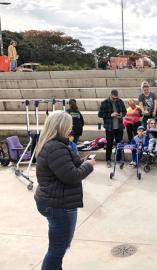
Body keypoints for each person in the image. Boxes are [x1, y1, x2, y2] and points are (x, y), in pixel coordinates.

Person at [34, 111, 95, 270]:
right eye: (69, 125)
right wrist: (88, 166)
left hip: (54, 201)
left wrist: (83, 160)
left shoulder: (56, 144)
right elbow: (71, 176)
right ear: (61, 126)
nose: (71, 128)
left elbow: (66, 166)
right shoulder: (55, 148)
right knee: (58, 248)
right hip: (59, 205)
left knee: (58, 246)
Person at [98, 89, 126, 168]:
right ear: (110, 95)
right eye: (114, 98)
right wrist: (110, 115)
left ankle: (119, 159)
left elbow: (125, 111)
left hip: (119, 127)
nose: (115, 100)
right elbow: (100, 114)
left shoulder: (120, 101)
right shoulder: (104, 102)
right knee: (109, 144)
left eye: (116, 98)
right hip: (109, 128)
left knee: (119, 144)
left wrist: (121, 114)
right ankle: (108, 160)